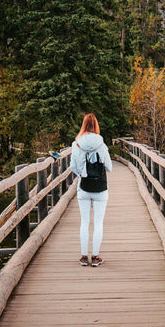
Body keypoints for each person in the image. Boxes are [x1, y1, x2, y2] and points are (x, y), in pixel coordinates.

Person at [70, 113, 112, 266]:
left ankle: (83, 256)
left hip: (84, 187)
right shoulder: (102, 144)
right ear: (96, 125)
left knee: (84, 222)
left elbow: (72, 167)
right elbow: (109, 167)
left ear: (83, 125)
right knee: (98, 223)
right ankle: (95, 257)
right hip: (100, 188)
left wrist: (83, 172)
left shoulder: (76, 144)